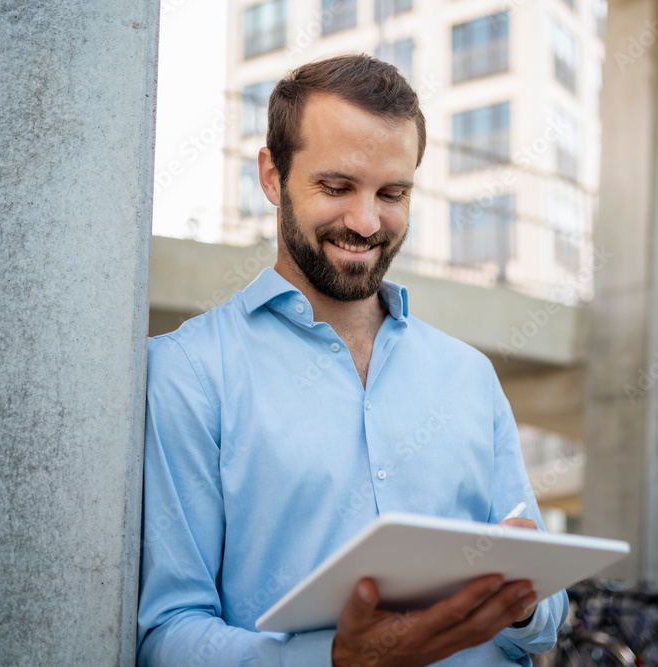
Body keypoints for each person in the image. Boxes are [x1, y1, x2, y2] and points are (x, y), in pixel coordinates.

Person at [137, 54, 567, 666]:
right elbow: (167, 634)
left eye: (392, 193)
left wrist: (524, 599)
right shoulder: (190, 372)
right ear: (271, 175)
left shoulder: (469, 376)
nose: (365, 223)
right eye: (336, 188)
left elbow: (545, 623)